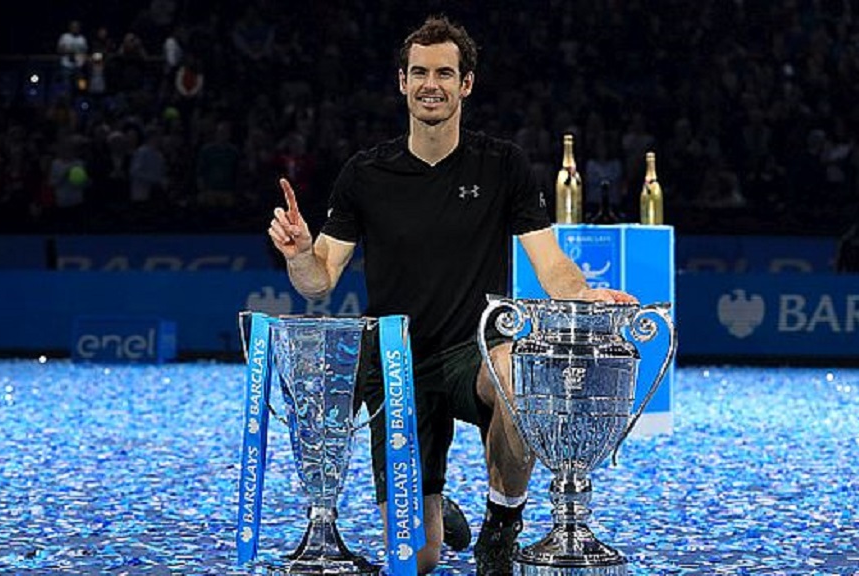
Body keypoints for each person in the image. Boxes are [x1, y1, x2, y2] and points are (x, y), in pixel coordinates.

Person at [267, 15, 637, 575]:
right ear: (402, 82)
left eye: (444, 72)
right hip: (395, 363)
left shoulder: (502, 164)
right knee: (417, 560)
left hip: (477, 349)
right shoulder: (364, 174)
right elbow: (320, 280)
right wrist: (299, 255)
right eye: (419, 72)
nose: (430, 84)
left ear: (466, 84)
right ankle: (438, 512)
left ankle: (502, 524)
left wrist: (585, 293)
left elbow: (547, 259)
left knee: (520, 379)